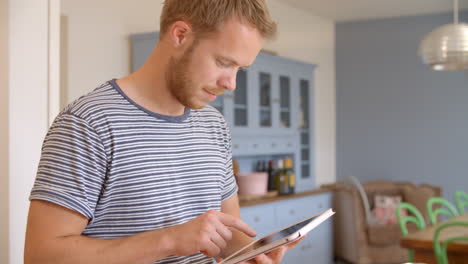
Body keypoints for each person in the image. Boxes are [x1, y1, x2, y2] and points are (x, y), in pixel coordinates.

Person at [24, 0, 301, 263]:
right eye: (224, 62)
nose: (231, 84)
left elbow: (227, 232)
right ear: (180, 35)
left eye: (239, 68)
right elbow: (41, 256)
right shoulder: (88, 123)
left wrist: (252, 253)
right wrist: (168, 240)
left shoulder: (214, 125)